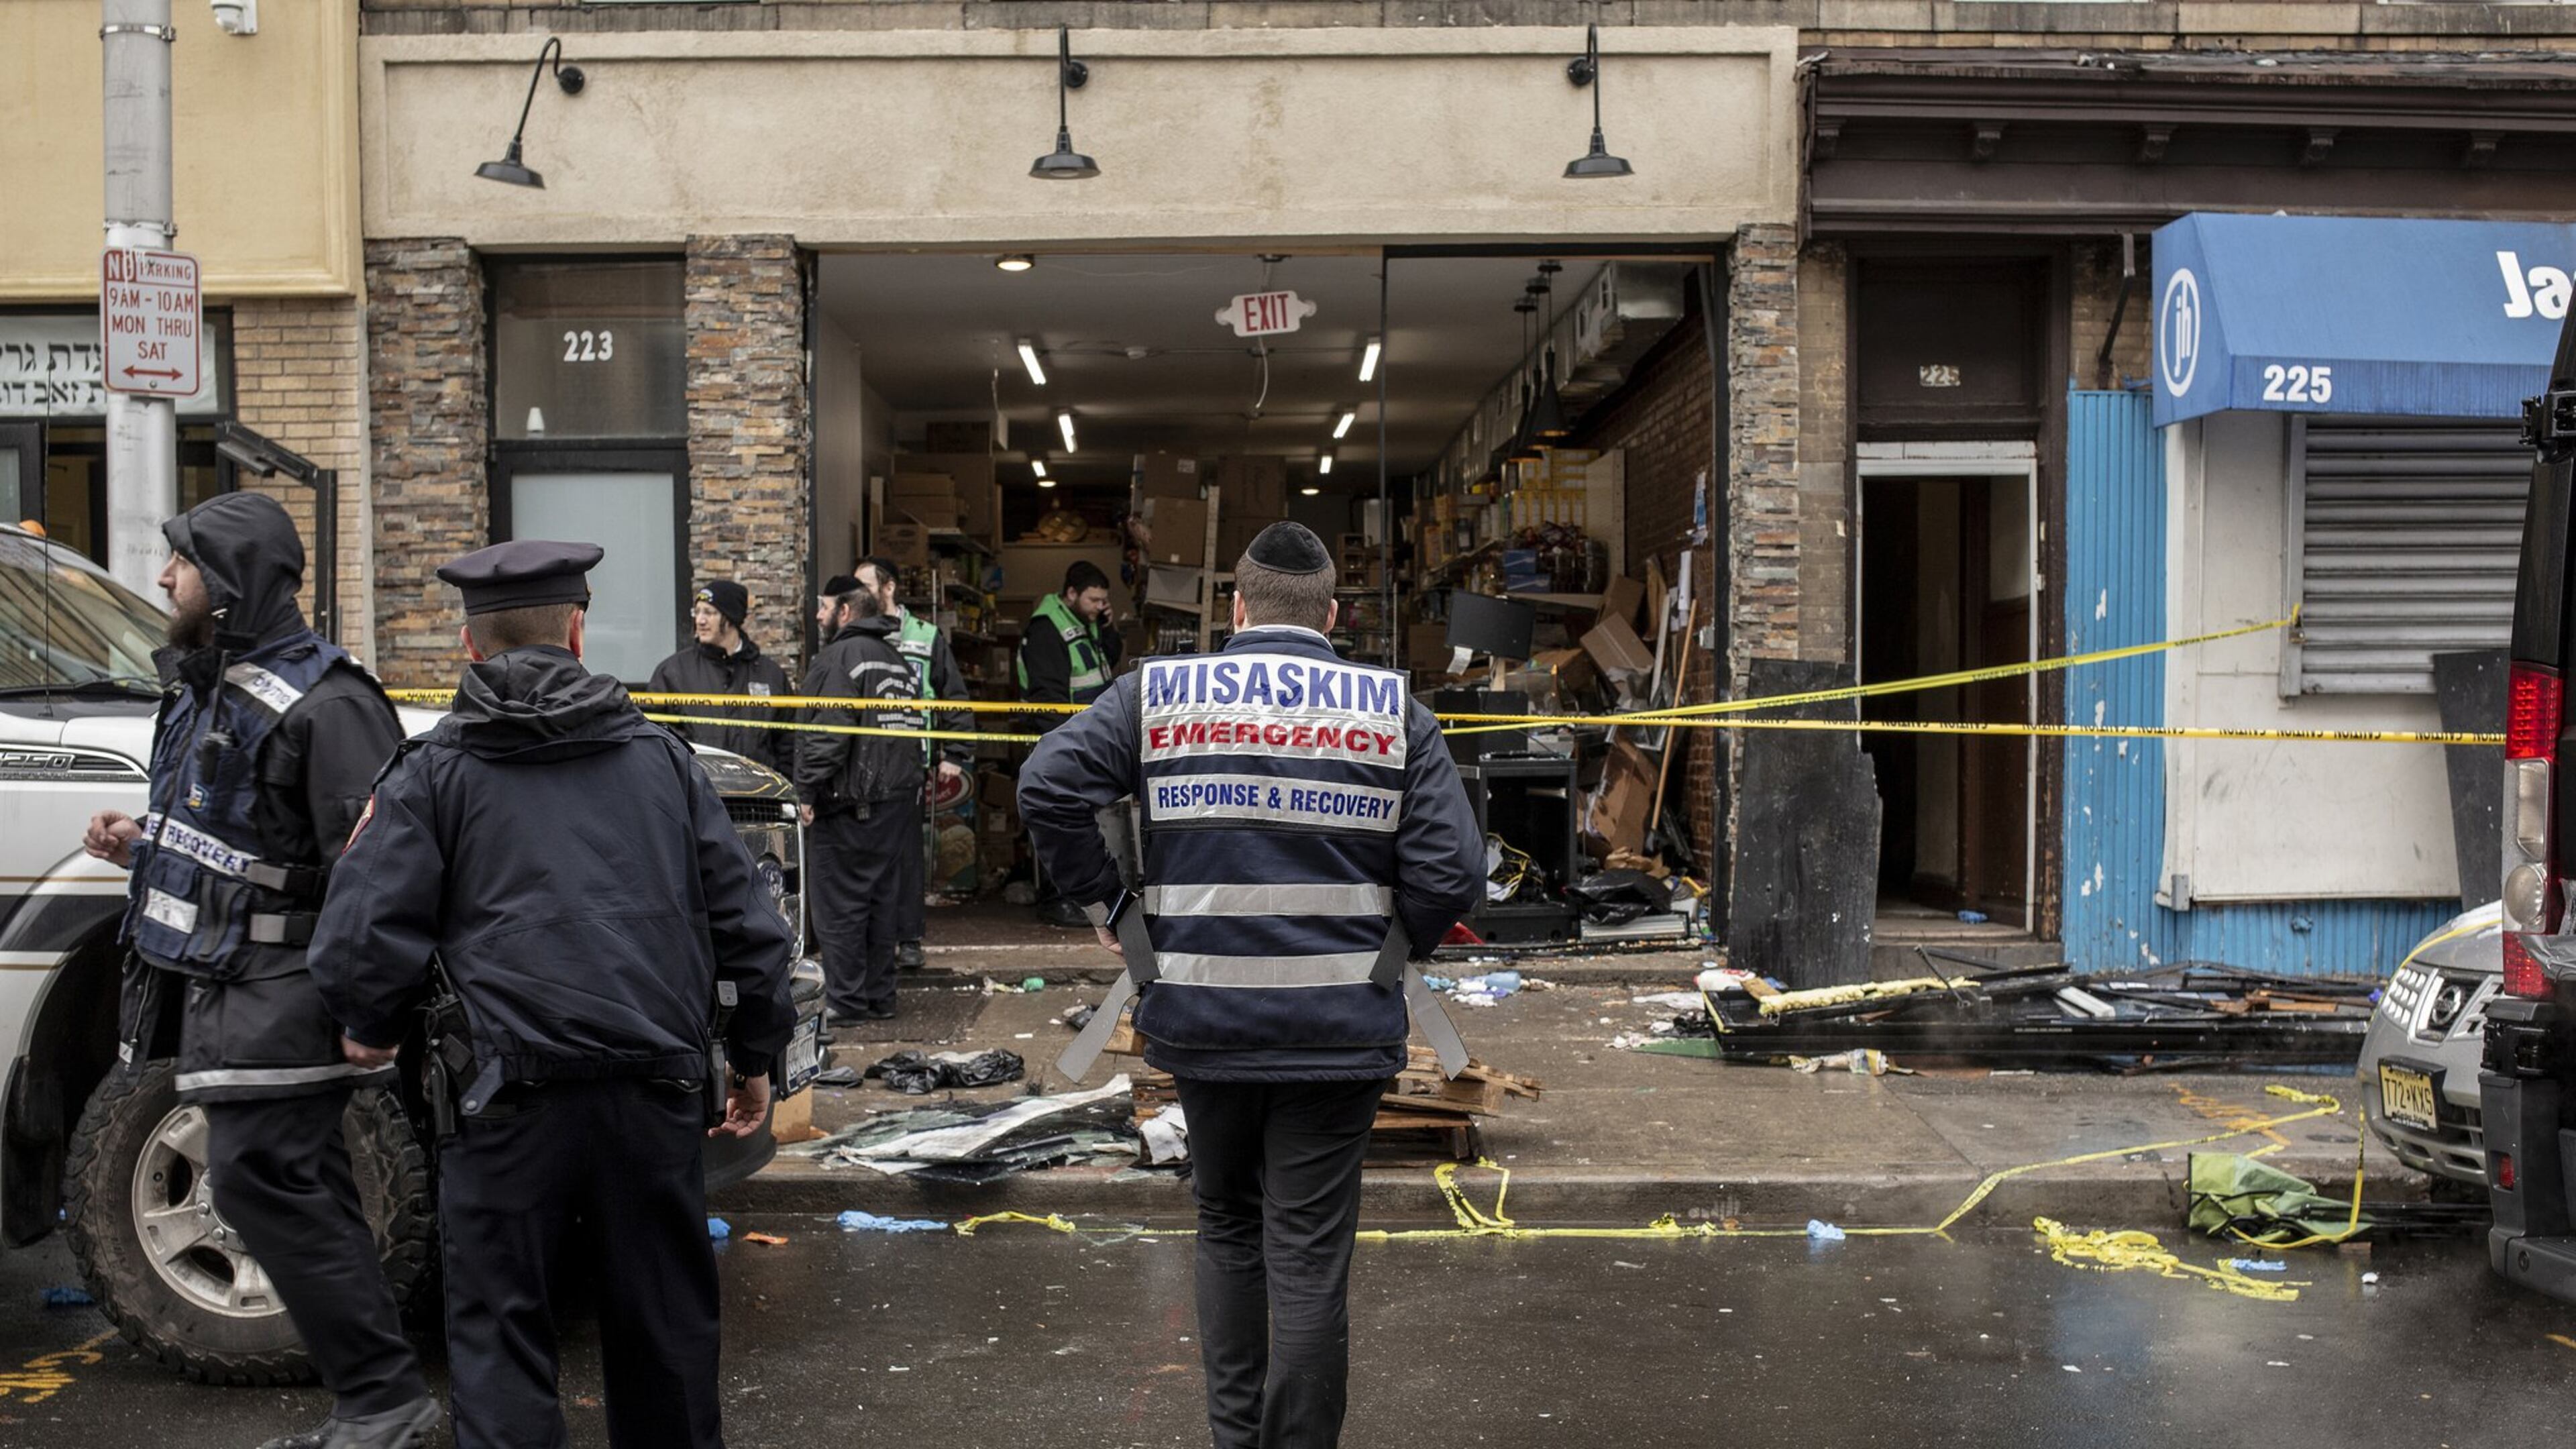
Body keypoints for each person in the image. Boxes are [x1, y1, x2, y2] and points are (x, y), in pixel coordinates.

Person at [306, 540, 796, 1449]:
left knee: (499, 1340)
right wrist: (756, 1058)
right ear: (578, 631)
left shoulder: (431, 772)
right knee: (667, 1340)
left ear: (468, 647)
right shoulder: (666, 764)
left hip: (501, 1106)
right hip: (651, 1097)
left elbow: (362, 928)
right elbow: (752, 929)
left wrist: (369, 1027)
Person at [1018, 521, 1483, 1449]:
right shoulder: (1392, 709)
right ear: (1334, 615)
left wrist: (1113, 906)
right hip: (1339, 1032)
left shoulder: (1157, 693)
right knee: (1307, 1256)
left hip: (1203, 1022)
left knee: (1229, 1228)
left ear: (1235, 608)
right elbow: (1452, 874)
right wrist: (1390, 956)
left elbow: (1045, 786)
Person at [78, 492, 435, 1449]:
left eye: (182, 563)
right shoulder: (204, 684)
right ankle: (379, 1401)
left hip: (282, 1000)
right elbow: (240, 834)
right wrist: (144, 841)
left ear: (232, 583)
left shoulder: (330, 702)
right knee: (293, 1186)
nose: (163, 578)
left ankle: (383, 1399)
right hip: (222, 990)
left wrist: (370, 1006)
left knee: (255, 1185)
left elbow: (375, 870)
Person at [796, 576, 928, 1025]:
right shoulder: (897, 662)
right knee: (879, 905)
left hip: (850, 802)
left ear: (846, 612)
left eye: (824, 606)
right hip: (894, 805)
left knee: (840, 907)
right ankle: (879, 998)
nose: (819, 615)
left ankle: (848, 1002)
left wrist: (807, 789)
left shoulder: (838, 658)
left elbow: (830, 732)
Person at [855, 555, 973, 971]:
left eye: (865, 586)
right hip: (861, 764)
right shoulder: (852, 635)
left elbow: (953, 694)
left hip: (910, 761)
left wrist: (956, 752)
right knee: (866, 857)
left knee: (906, 857)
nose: (857, 595)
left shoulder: (925, 635)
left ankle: (908, 939)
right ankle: (874, 940)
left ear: (888, 588)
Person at [1016, 559, 1124, 926]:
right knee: (1058, 818)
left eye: (1102, 601)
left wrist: (1107, 627)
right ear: (1072, 594)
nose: (1099, 606)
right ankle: (1056, 900)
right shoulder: (1048, 629)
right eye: (1093, 600)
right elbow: (1049, 698)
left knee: (1081, 822)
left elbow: (1103, 662)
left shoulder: (1085, 622)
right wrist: (1065, 747)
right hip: (1064, 740)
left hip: (1085, 739)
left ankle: (1078, 899)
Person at [646, 578, 792, 775]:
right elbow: (652, 735)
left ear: (731, 618)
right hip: (696, 792)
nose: (700, 620)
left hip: (757, 796)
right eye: (696, 612)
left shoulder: (770, 675)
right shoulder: (673, 671)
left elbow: (788, 743)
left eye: (709, 612)